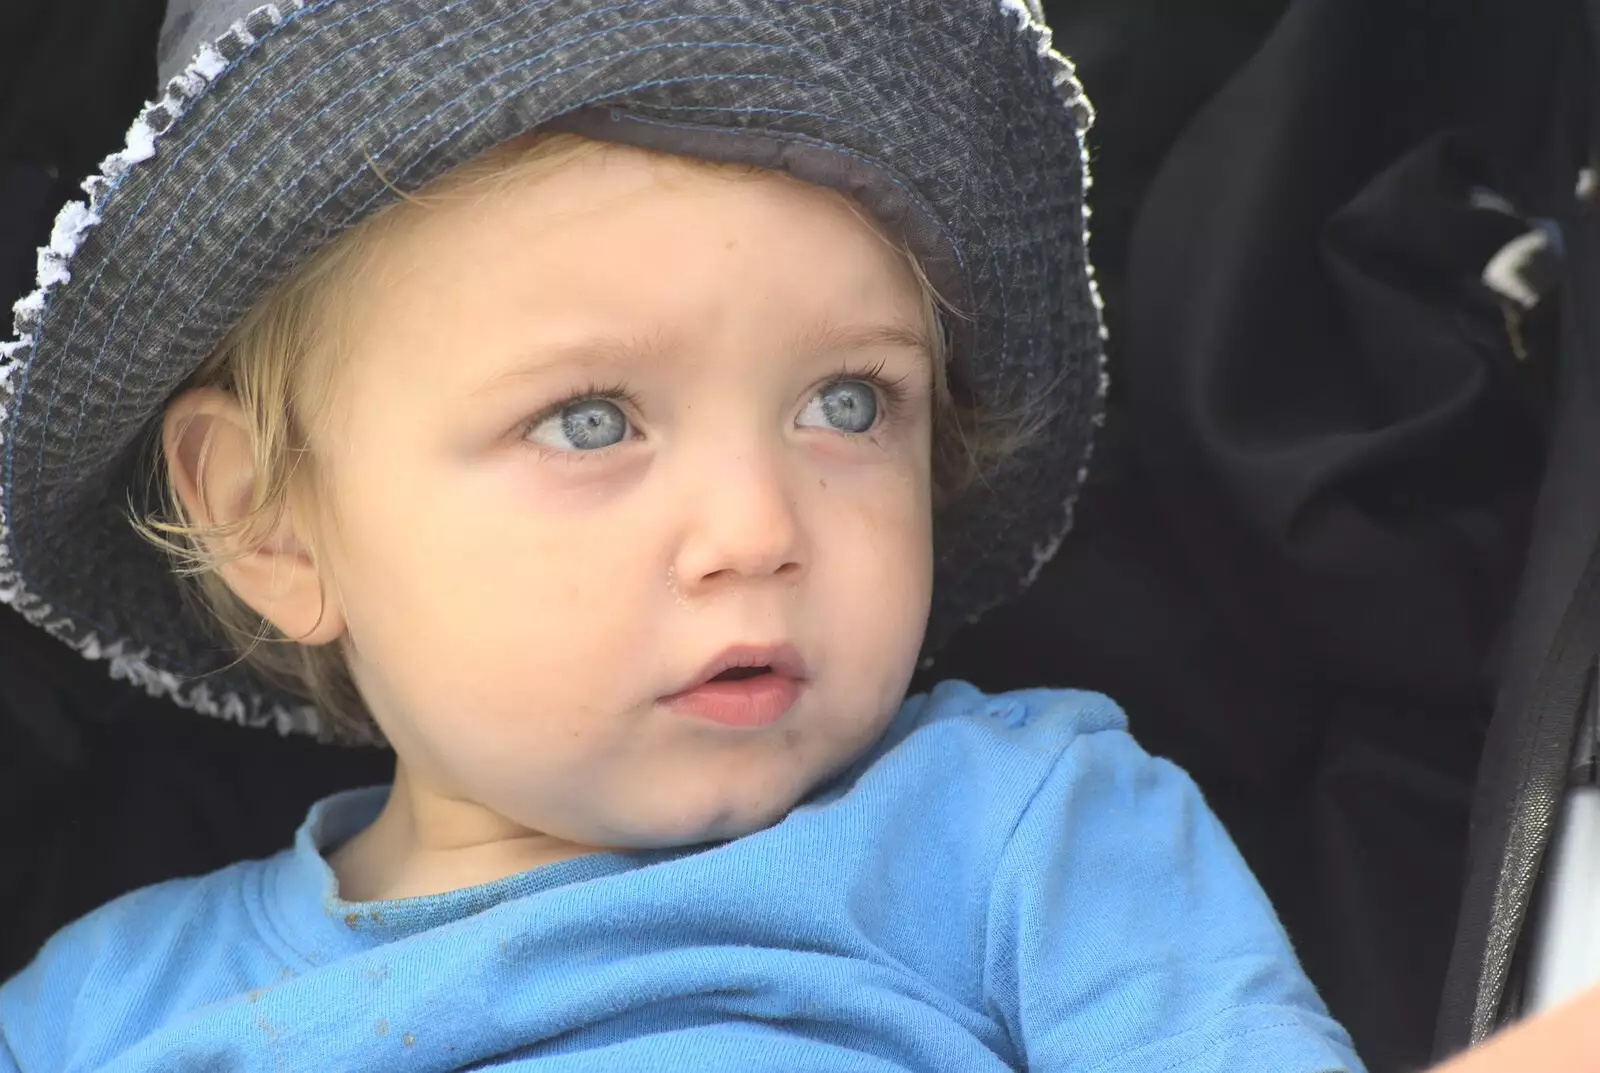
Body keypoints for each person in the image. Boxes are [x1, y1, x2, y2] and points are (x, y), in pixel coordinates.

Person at [0, 1, 1364, 1069]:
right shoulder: (99, 1011)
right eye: (591, 421)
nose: (758, 528)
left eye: (847, 403)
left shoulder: (1018, 836)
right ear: (268, 521)